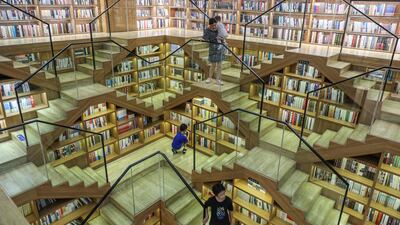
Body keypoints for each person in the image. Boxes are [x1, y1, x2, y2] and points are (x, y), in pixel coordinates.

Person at [203, 18, 225, 86]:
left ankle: (218, 79)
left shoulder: (218, 29)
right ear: (210, 25)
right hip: (212, 48)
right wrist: (214, 38)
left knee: (219, 65)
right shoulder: (207, 30)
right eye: (213, 25)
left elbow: (223, 35)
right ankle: (209, 78)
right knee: (213, 65)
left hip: (220, 48)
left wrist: (222, 39)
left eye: (215, 25)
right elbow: (206, 38)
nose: (215, 27)